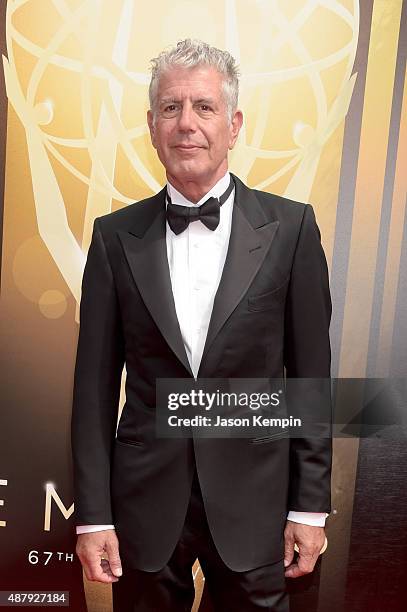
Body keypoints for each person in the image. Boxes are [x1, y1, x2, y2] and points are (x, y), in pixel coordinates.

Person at [71, 39, 332, 611]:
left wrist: (308, 508)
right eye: (171, 107)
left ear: (234, 124)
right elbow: (91, 391)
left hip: (257, 505)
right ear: (151, 124)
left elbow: (312, 378)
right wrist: (92, 515)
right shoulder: (113, 238)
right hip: (143, 506)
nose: (186, 123)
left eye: (204, 107)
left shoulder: (291, 230)